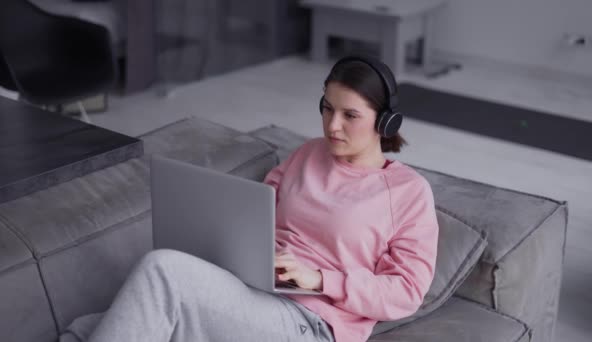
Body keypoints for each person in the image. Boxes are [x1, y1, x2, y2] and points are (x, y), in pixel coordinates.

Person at [62, 56, 439, 342]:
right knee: (86, 328)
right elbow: (257, 210)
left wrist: (320, 279)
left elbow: (405, 293)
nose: (332, 125)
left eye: (349, 115)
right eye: (326, 107)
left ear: (385, 122)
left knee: (162, 273)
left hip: (312, 323)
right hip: (254, 287)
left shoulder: (408, 192)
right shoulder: (308, 153)